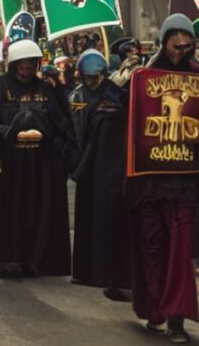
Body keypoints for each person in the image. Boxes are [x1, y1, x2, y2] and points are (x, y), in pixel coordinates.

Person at [124, 14, 199, 343]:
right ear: (165, 40)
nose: (182, 50)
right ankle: (155, 309)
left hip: (184, 182)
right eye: (176, 43)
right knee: (151, 248)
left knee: (180, 252)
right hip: (148, 183)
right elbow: (125, 122)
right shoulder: (141, 76)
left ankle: (177, 319)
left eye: (188, 45)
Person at [0, 40, 77, 277]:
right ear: (14, 65)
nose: (27, 70)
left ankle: (41, 261)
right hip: (9, 163)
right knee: (8, 213)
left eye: (31, 65)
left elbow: (63, 123)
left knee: (41, 211)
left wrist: (65, 151)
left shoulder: (47, 89)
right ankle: (7, 262)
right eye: (22, 66)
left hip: (41, 163)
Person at [68, 49, 131, 301]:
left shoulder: (117, 95)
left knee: (109, 222)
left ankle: (108, 274)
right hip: (86, 168)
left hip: (111, 170)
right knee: (87, 221)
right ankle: (86, 273)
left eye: (96, 77)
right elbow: (71, 131)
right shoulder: (75, 97)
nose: (92, 82)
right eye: (88, 78)